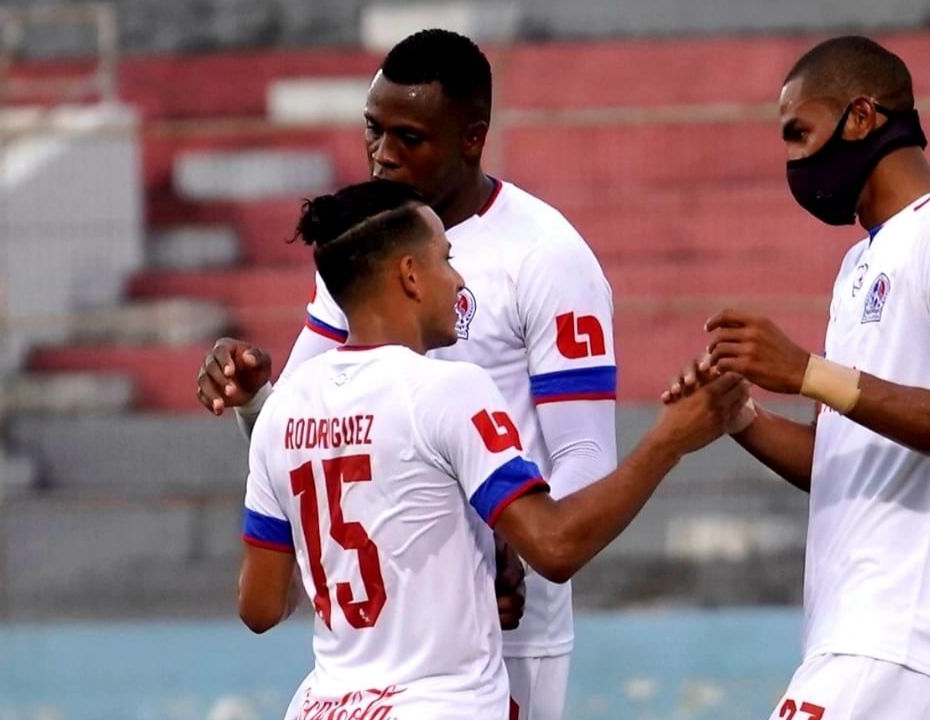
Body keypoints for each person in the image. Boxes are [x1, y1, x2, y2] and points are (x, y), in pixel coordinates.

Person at [198, 30, 617, 719]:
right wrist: (253, 399)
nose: (382, 155)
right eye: (373, 130)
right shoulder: (363, 252)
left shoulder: (547, 256)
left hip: (509, 620)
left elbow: (584, 452)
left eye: (409, 138)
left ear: (471, 138)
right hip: (388, 630)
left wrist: (514, 549)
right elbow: (306, 432)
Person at [238, 180, 744, 720]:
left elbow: (260, 606)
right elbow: (555, 546)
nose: (457, 280)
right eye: (446, 259)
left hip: (321, 707)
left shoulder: (281, 410)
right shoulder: (450, 389)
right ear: (409, 274)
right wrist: (671, 438)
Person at [667, 36, 930, 719]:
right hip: (852, 631)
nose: (793, 160)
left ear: (860, 118)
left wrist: (804, 371)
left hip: (900, 631)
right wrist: (740, 415)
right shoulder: (860, 263)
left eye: (800, 132)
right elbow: (842, 463)